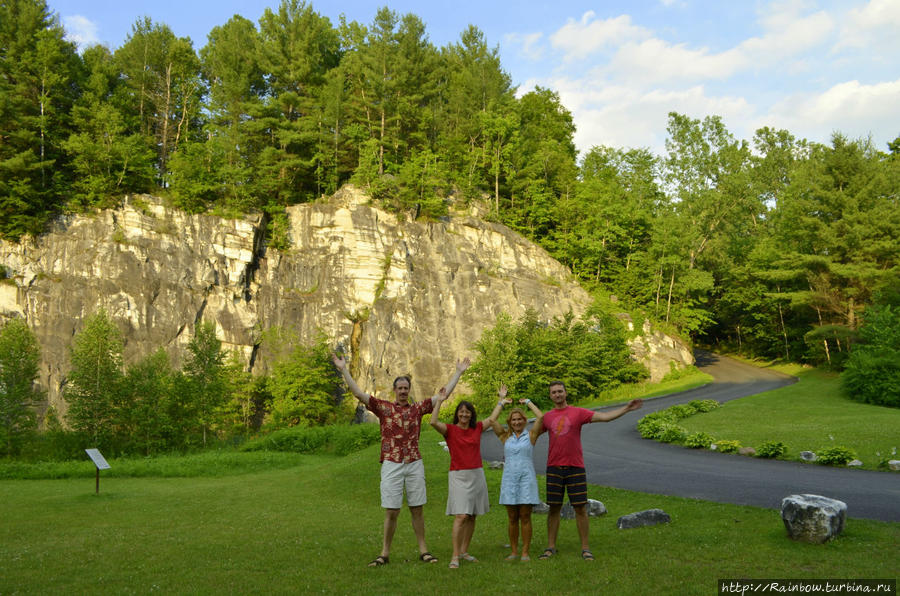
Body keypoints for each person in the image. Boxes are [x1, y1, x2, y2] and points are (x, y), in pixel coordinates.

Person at [332, 353, 470, 567]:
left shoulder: (418, 409)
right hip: (391, 463)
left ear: (409, 390)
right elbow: (359, 393)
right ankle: (384, 553)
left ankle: (423, 550)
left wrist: (458, 372)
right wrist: (343, 369)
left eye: (406, 388)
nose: (404, 391)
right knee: (392, 510)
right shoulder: (384, 408)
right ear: (395, 390)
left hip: (414, 462)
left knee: (417, 509)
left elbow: (442, 396)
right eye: (400, 388)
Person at [536, 381, 643, 561]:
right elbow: (530, 436)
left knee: (580, 508)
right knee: (554, 508)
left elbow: (604, 417)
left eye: (560, 391)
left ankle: (585, 548)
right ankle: (550, 547)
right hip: (554, 467)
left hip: (575, 467)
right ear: (550, 396)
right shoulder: (547, 417)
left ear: (566, 393)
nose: (557, 395)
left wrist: (626, 409)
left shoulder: (578, 413)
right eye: (553, 392)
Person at [429, 386, 504, 569]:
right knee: (461, 515)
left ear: (471, 415)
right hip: (458, 475)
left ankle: (464, 551)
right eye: (461, 412)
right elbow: (432, 422)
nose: (464, 414)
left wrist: (501, 400)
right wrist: (439, 400)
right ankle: (455, 555)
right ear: (457, 414)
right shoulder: (450, 430)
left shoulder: (477, 428)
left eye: (467, 412)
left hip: (477, 474)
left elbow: (492, 419)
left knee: (472, 515)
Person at [487, 386, 544, 562]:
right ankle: (513, 551)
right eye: (514, 420)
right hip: (510, 480)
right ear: (510, 422)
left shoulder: (532, 435)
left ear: (524, 421)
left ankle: (525, 551)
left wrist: (528, 402)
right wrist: (501, 401)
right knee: (512, 517)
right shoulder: (505, 437)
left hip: (526, 479)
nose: (517, 422)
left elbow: (541, 417)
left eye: (520, 419)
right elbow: (491, 419)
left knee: (525, 516)